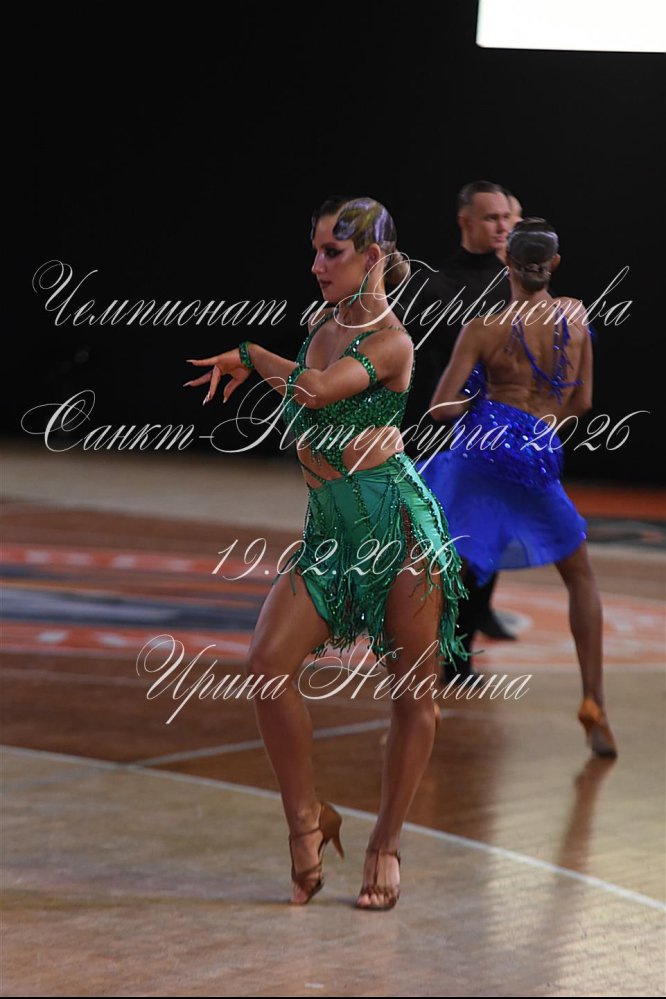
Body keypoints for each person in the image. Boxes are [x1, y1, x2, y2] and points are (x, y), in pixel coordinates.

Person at [184, 196, 469, 909]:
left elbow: (312, 392)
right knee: (265, 664)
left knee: (413, 697)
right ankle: (307, 823)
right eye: (314, 250)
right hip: (330, 535)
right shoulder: (321, 324)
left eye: (331, 252)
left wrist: (253, 355)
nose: (316, 264)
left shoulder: (392, 341)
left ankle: (385, 844)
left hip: (396, 533)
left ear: (372, 257)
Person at [417, 218, 618, 758]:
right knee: (580, 577)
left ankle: (420, 704)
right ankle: (594, 703)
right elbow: (582, 402)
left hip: (481, 460)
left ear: (505, 262)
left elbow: (441, 407)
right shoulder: (576, 315)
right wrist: (536, 431)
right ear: (554, 264)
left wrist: (481, 397)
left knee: (437, 575)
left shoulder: (483, 327)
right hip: (536, 461)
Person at [397, 181, 518, 681]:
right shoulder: (434, 285)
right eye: (492, 218)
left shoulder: (519, 288)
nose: (502, 227)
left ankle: (460, 648)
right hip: (437, 433)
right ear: (465, 221)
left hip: (496, 436)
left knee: (485, 543)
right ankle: (423, 641)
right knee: (432, 548)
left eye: (507, 218)